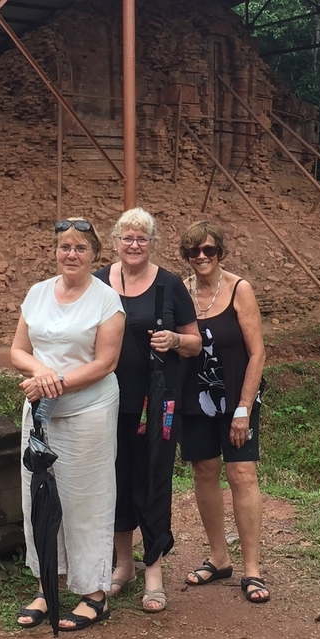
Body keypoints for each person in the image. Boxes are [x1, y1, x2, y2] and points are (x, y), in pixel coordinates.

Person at [11, 217, 126, 632]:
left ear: (95, 254)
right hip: (40, 412)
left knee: (85, 501)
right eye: (64, 247)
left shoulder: (106, 300)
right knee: (36, 497)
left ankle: (94, 592)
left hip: (87, 411)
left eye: (80, 247)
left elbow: (105, 362)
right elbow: (19, 349)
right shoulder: (38, 293)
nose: (71, 254)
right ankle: (48, 584)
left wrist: (52, 382)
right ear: (55, 252)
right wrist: (41, 374)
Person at [94, 207, 201, 613]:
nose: (134, 245)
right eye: (127, 237)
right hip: (106, 398)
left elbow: (196, 343)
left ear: (152, 243)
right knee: (115, 477)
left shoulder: (171, 285)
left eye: (142, 238)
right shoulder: (100, 281)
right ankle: (124, 565)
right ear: (116, 242)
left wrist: (174, 340)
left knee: (153, 476)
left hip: (156, 401)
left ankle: (152, 568)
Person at [179, 220, 269, 604]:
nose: (202, 257)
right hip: (196, 397)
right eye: (194, 251)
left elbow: (258, 352)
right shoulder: (180, 292)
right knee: (204, 471)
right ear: (186, 256)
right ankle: (219, 558)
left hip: (237, 396)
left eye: (209, 250)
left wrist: (243, 408)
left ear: (220, 253)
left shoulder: (239, 289)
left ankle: (252, 569)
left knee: (241, 472)